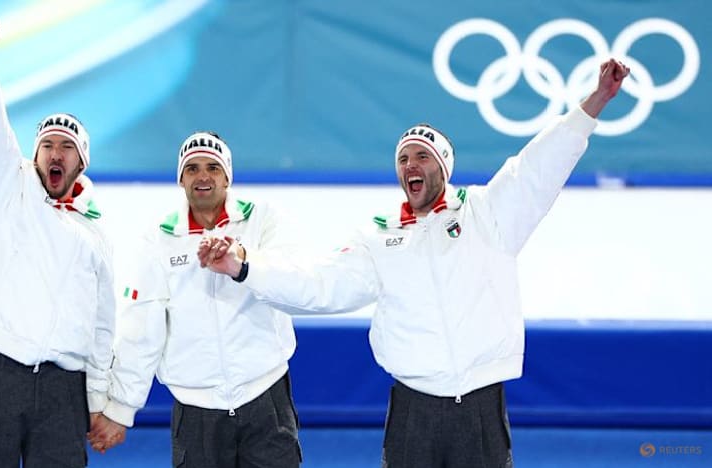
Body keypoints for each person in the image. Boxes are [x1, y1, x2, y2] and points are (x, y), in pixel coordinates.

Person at [198, 59, 630, 467]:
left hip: (481, 404)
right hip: (412, 407)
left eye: (421, 156)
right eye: (403, 159)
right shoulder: (379, 237)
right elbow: (320, 283)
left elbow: (538, 167)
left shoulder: (488, 214)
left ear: (443, 166)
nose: (410, 165)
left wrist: (594, 104)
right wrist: (244, 267)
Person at [0, 15, 116, 468]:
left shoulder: (95, 234)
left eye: (67, 148)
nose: (56, 153)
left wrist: (100, 401)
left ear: (81, 164)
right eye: (48, 146)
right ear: (35, 155)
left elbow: (103, 327)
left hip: (64, 390)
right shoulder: (7, 188)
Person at [88, 131, 303, 467]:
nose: (203, 176)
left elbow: (293, 280)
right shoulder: (158, 239)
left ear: (228, 176)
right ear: (181, 179)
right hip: (196, 411)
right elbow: (142, 332)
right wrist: (120, 410)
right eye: (193, 168)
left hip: (265, 398)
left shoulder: (263, 219)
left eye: (213, 168)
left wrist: (242, 259)